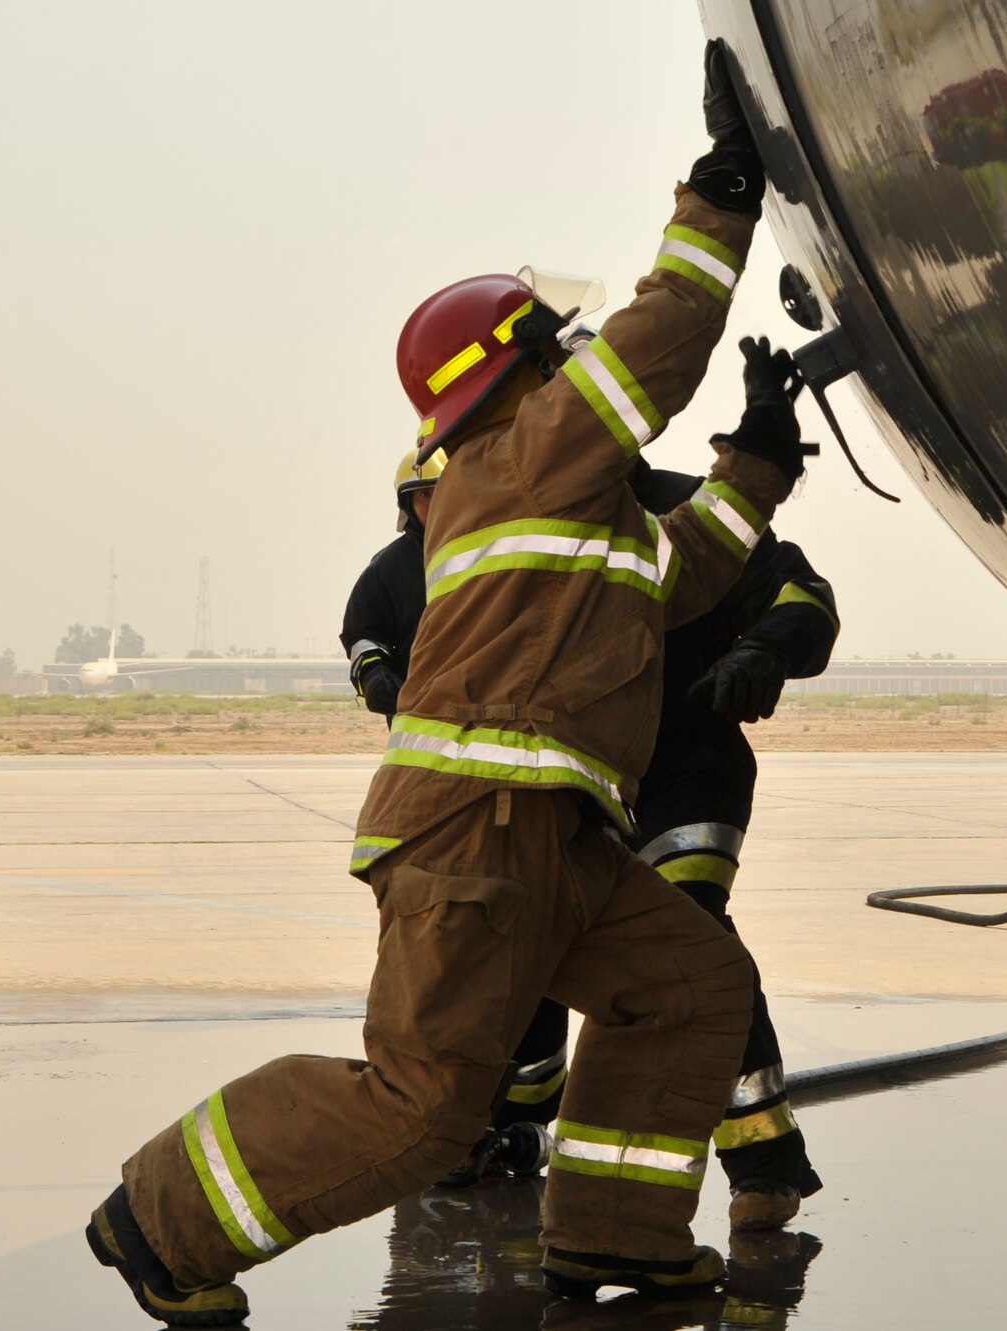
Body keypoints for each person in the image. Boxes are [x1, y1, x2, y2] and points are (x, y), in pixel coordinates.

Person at [88, 42, 803, 1325]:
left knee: (689, 988)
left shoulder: (562, 502)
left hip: (553, 836)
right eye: (556, 347)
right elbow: (654, 344)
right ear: (512, 373)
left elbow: (677, 579)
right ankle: (158, 1221)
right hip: (477, 828)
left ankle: (611, 1235)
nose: (576, 354)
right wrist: (720, 193)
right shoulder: (519, 451)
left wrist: (752, 462)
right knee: (422, 1113)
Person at [348, 437, 840, 1226]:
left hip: (686, 764)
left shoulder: (685, 510)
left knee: (693, 941)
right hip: (580, 790)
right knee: (540, 943)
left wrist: (762, 652)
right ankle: (535, 1135)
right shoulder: (495, 527)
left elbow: (804, 599)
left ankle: (763, 1162)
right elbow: (378, 621)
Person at [340, 447, 444, 720]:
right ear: (407, 503)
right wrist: (374, 676)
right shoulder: (388, 567)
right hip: (416, 718)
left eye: (442, 491)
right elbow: (363, 635)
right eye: (424, 494)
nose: (435, 503)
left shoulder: (489, 552)